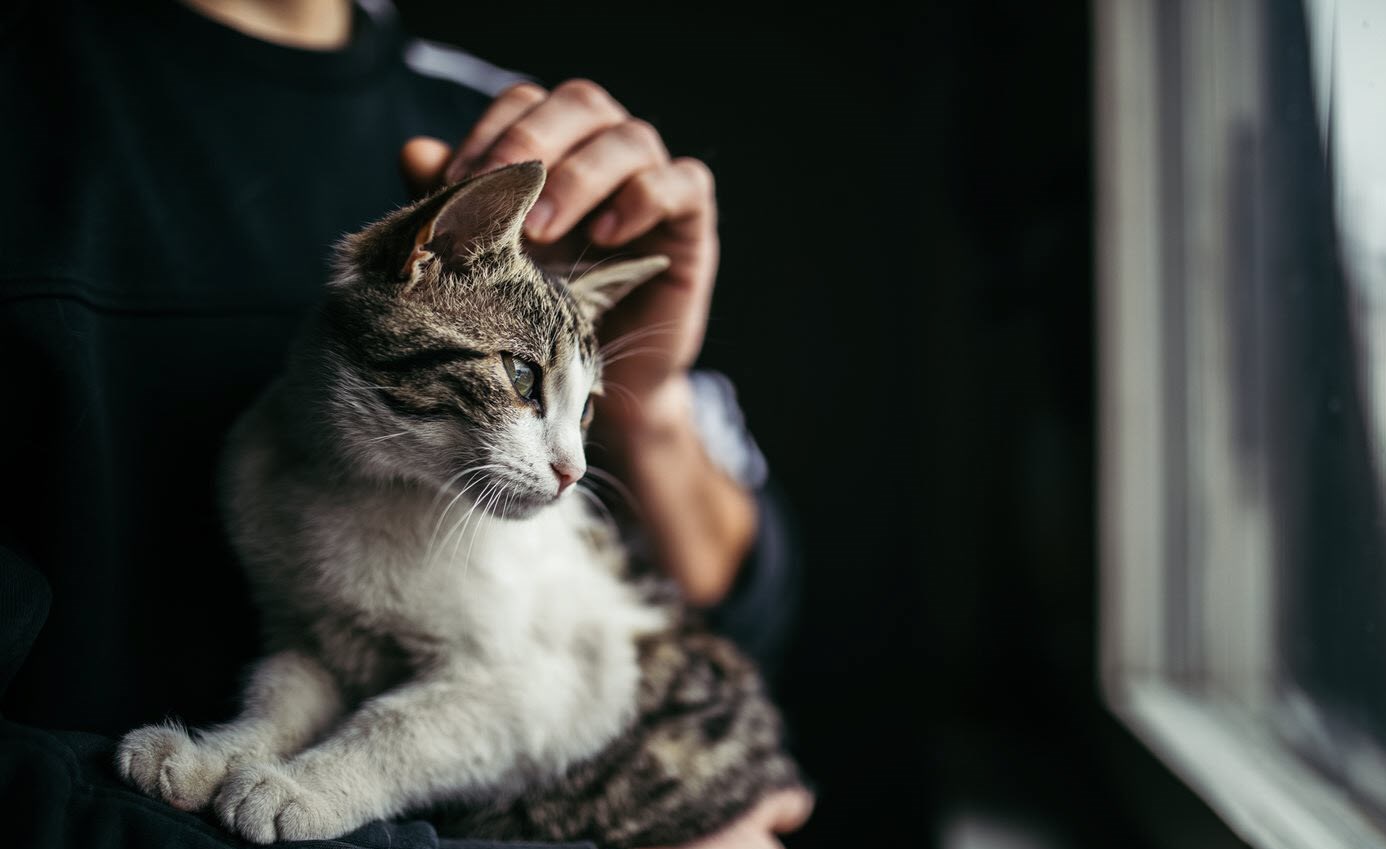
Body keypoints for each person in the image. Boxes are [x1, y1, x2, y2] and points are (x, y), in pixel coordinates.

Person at [0, 0, 811, 845]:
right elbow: (323, 657)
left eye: (586, 409)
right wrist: (250, 760)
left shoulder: (510, 121)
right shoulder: (33, 96)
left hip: (646, 775)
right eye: (529, 382)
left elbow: (733, 607)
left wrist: (656, 405)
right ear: (424, 257)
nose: (575, 464)